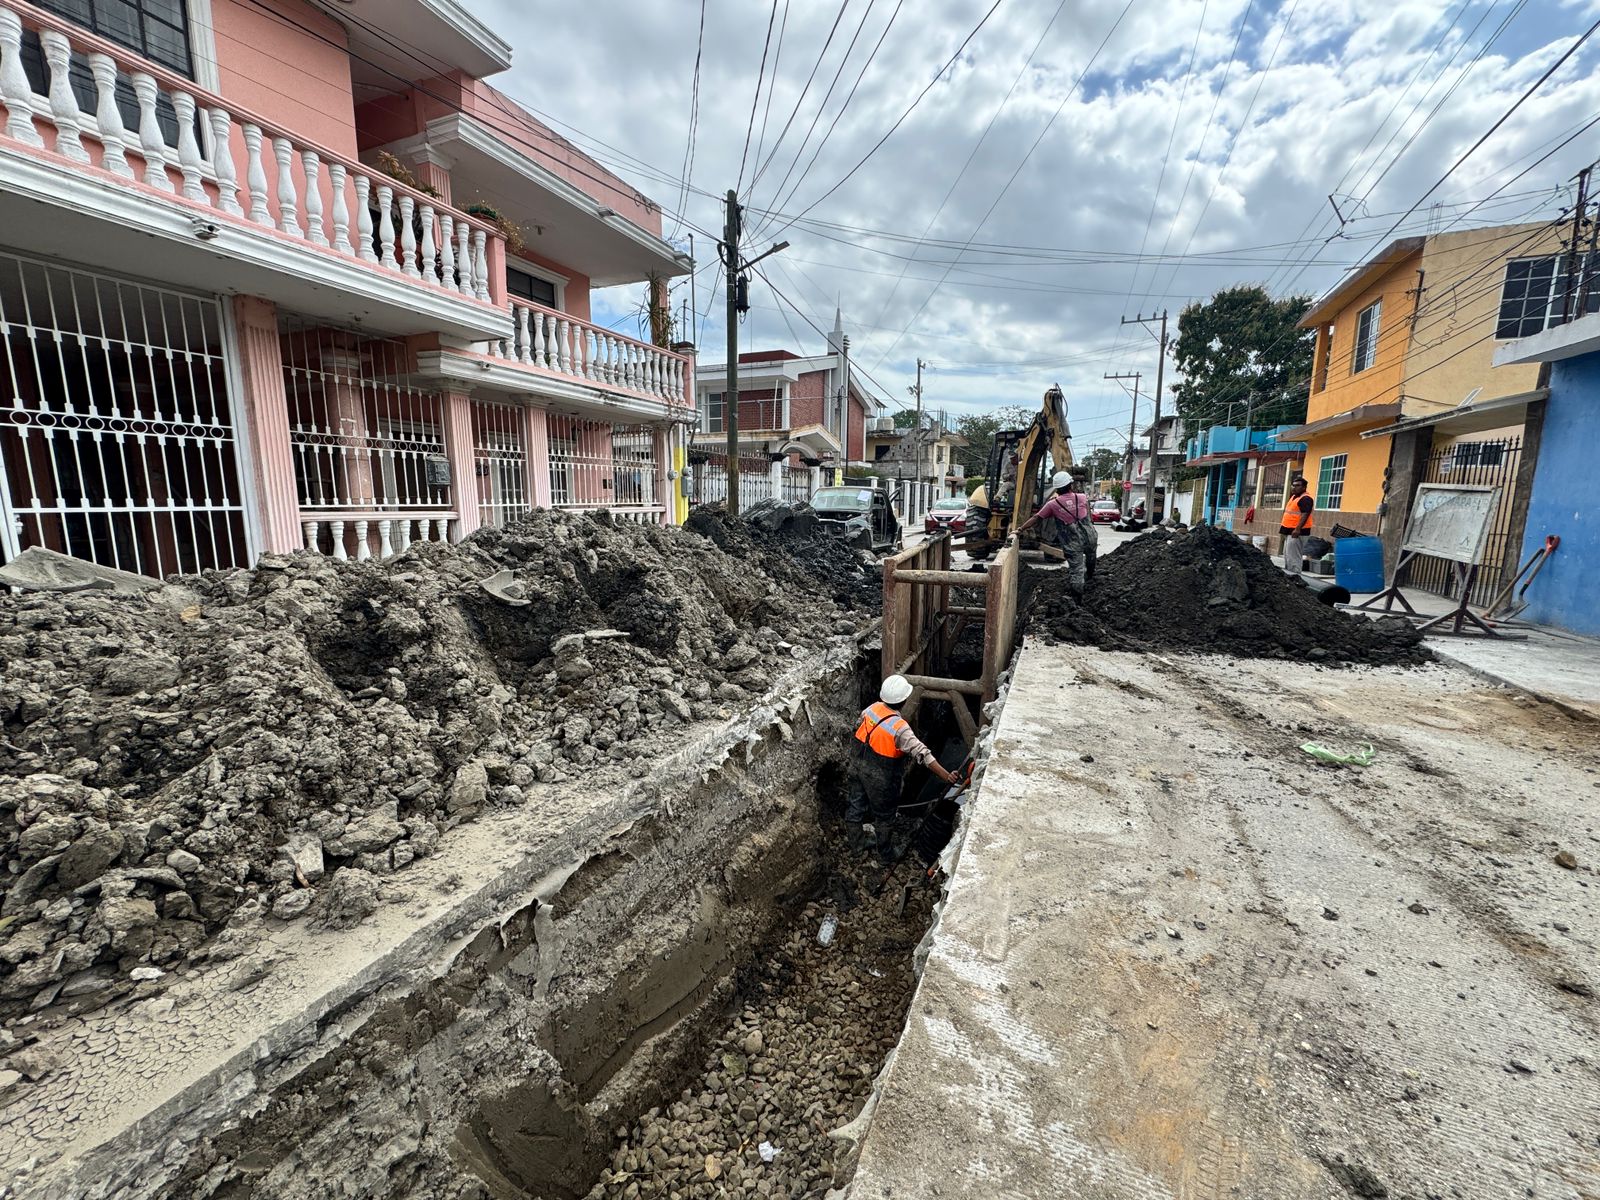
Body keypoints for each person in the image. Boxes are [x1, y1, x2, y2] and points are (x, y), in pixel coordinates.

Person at [846, 675, 960, 862]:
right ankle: (885, 854)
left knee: (855, 805)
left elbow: (859, 726)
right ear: (904, 700)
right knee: (885, 816)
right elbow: (923, 754)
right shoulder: (900, 728)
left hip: (857, 765)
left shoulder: (872, 709)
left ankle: (856, 845)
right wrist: (946, 776)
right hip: (880, 778)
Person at [1015, 470, 1097, 596]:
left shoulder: (1052, 504)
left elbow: (1036, 518)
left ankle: (1077, 600)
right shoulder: (1081, 497)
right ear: (1070, 485)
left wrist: (1020, 529)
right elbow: (1088, 516)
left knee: (1076, 571)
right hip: (1090, 536)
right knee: (1091, 558)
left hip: (1072, 541)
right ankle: (1091, 579)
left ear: (1057, 489)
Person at [1279, 474, 1314, 578]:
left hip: (1296, 533)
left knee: (1294, 559)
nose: (1294, 487)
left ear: (1304, 487)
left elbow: (1305, 514)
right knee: (1288, 557)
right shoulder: (1294, 497)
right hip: (1289, 531)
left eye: (1297, 485)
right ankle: (1290, 577)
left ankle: (1296, 579)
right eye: (1293, 485)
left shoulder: (1305, 499)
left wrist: (1297, 529)